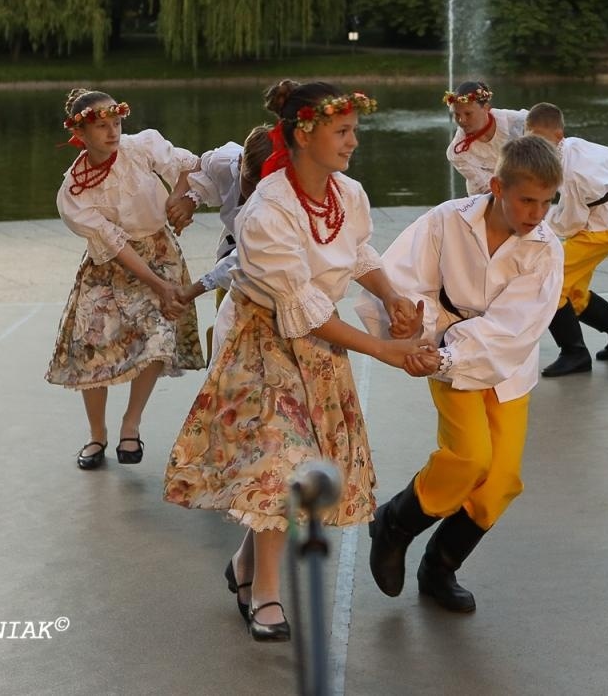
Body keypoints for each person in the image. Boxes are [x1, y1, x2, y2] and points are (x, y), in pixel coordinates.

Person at [163, 80, 436, 643]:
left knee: (302, 466)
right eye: (343, 131)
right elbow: (302, 309)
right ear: (304, 134)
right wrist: (383, 348)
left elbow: (358, 253)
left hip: (317, 342)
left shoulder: (347, 194)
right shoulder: (266, 212)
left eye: (354, 130)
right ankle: (265, 592)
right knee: (283, 465)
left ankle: (243, 565)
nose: (353, 142)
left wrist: (393, 299)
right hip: (261, 341)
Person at [361, 136, 564, 613]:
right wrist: (412, 324)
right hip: (445, 352)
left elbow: (514, 329)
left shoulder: (545, 250)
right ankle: (397, 523)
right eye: (526, 200)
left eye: (546, 202)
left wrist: (445, 355)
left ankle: (440, 567)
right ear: (497, 186)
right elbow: (404, 279)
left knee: (501, 479)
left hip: (502, 363)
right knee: (470, 456)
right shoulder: (446, 220)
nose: (537, 213)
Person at [47, 90, 205, 471]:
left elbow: (192, 166)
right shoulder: (74, 191)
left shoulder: (143, 146)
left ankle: (131, 422)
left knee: (158, 338)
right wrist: (157, 283)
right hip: (111, 265)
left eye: (116, 123)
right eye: (101, 126)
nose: (112, 132)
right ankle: (96, 434)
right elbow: (115, 245)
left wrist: (184, 199)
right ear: (79, 134)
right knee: (92, 346)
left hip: (160, 251)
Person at [523, 102, 608, 377]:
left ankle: (574, 353)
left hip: (599, 230)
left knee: (550, 283)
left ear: (558, 136)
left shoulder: (572, 173)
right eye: (531, 139)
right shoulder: (573, 146)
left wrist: (543, 223)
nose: (536, 146)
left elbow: (571, 220)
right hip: (606, 219)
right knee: (573, 291)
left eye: (541, 140)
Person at [166, 124, 274, 360]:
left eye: (261, 187)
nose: (253, 192)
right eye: (248, 181)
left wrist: (191, 291)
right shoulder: (224, 162)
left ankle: (226, 345)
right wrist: (187, 199)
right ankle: (220, 343)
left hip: (267, 260)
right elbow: (199, 167)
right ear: (240, 162)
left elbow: (241, 264)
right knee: (226, 311)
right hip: (232, 244)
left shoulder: (284, 194)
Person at [444, 82, 529, 195]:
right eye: (457, 115)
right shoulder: (457, 152)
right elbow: (486, 187)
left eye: (468, 114)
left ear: (486, 108)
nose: (462, 120)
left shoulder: (518, 121)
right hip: (487, 198)